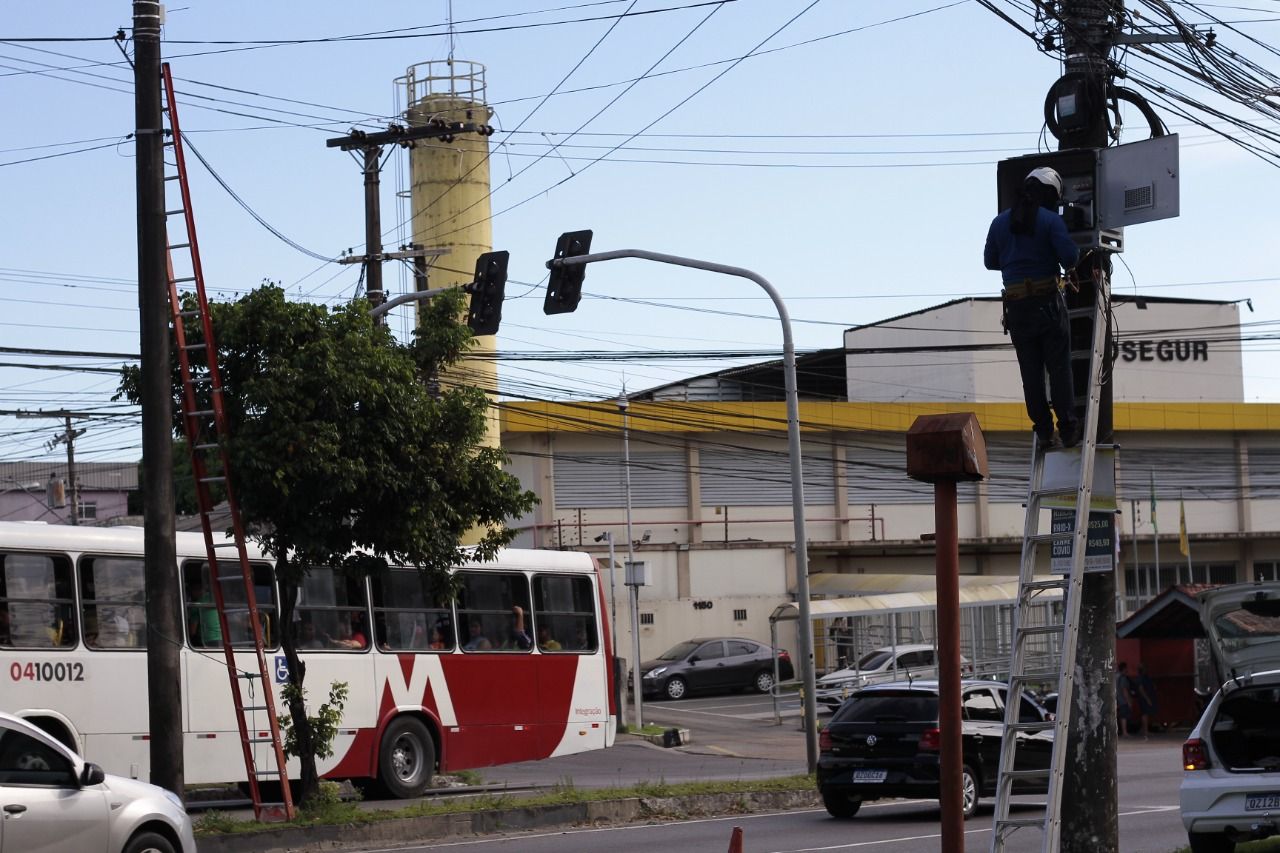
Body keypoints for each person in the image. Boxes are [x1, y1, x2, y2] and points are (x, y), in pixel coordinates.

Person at [984, 166, 1082, 449]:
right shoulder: (1051, 221)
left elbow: (991, 261)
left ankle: (1042, 429)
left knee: (1031, 372)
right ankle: (1067, 428)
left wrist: (1016, 258)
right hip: (1048, 304)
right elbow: (1070, 257)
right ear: (1051, 194)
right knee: (1059, 368)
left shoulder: (999, 223)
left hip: (1016, 308)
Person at [1136, 663, 1158, 739]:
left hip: (1147, 698)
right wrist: (1147, 699)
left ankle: (1145, 730)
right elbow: (1141, 689)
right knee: (1144, 714)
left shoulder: (1145, 677)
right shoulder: (1141, 678)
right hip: (1144, 699)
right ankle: (1145, 731)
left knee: (1146, 714)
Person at [1116, 661, 1134, 737]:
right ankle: (1124, 732)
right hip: (1123, 700)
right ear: (1124, 668)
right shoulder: (1123, 678)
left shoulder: (1116, 676)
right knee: (1124, 716)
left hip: (1118, 698)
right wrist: (1129, 701)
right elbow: (1124, 690)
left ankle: (1122, 731)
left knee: (1120, 715)